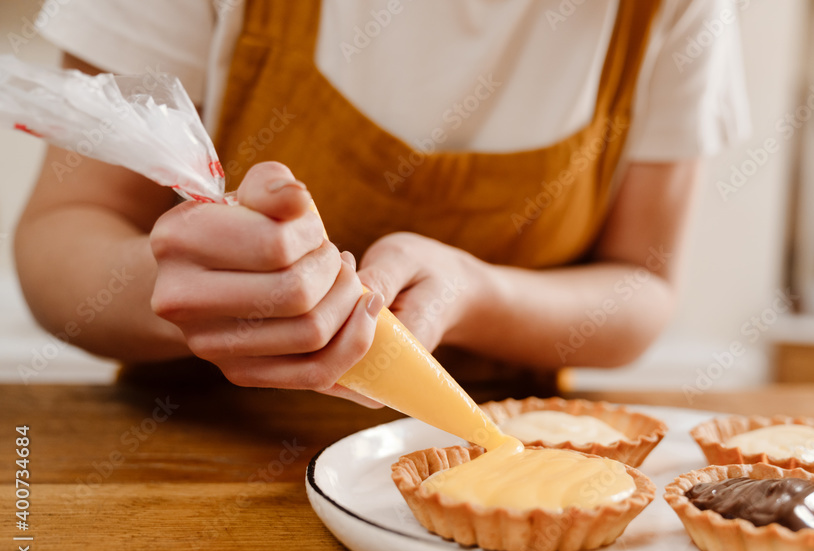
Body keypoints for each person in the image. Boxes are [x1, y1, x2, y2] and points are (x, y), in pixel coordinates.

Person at [14, 0, 749, 403]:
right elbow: (60, 234)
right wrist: (179, 294)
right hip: (191, 457)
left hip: (497, 475)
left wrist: (477, 293)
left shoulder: (676, 11)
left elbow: (643, 288)